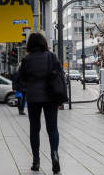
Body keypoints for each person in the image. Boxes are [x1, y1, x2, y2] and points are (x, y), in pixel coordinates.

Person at [19, 32, 63, 174]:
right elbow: (60, 75)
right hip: (51, 97)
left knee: (34, 129)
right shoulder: (52, 57)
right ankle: (54, 154)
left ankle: (36, 161)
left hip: (33, 98)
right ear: (44, 43)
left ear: (30, 45)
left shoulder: (27, 59)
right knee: (52, 128)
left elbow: (22, 78)